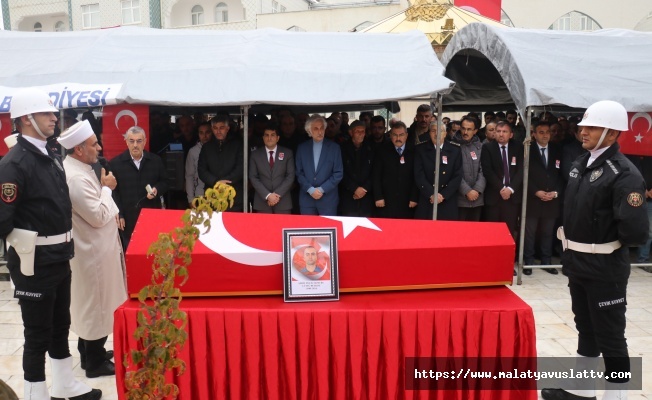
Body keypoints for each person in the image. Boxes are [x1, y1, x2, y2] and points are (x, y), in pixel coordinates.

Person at [542, 101, 649, 400]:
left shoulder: (624, 174)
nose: (582, 131)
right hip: (578, 262)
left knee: (611, 337)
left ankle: (618, 396)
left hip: (604, 268)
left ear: (612, 134)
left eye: (591, 127)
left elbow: (636, 232)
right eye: (583, 126)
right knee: (585, 328)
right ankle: (582, 390)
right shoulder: (582, 163)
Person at [0, 88, 101, 400]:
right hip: (35, 262)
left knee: (61, 324)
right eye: (46, 113)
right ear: (26, 120)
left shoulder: (51, 153)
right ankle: (35, 393)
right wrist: (25, 250)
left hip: (60, 255)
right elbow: (3, 220)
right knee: (37, 334)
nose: (54, 117)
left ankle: (64, 385)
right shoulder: (14, 164)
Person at [58, 120, 127, 379]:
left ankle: (89, 352)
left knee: (93, 304)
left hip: (95, 249)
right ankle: (95, 362)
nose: (98, 147)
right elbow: (98, 215)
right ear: (78, 149)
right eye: (93, 144)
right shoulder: (75, 178)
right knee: (95, 305)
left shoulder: (81, 168)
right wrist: (108, 189)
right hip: (91, 254)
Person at [110, 126, 169, 251]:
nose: (135, 145)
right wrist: (119, 213)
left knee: (152, 251)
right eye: (131, 141)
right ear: (126, 141)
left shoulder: (155, 161)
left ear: (145, 141)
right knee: (130, 253)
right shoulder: (116, 164)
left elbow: (165, 182)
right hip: (127, 218)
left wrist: (156, 190)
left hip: (151, 216)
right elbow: (114, 193)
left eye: (139, 141)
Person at [523, 121, 563, 276]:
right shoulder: (528, 150)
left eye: (547, 132)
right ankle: (528, 261)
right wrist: (535, 191)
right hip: (533, 199)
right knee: (530, 232)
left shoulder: (557, 150)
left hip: (552, 199)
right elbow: (523, 174)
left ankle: (547, 262)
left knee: (548, 232)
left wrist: (556, 192)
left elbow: (561, 175)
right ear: (534, 134)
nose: (545, 135)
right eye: (541, 132)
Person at [480, 121, 524, 259]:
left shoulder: (518, 147)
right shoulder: (487, 148)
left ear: (511, 134)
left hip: (512, 197)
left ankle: (507, 260)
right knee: (493, 231)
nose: (501, 134)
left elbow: (522, 170)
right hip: (494, 196)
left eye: (504, 131)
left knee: (509, 231)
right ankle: (492, 259)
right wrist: (502, 188)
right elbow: (487, 171)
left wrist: (510, 189)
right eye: (498, 131)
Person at [294, 115, 343, 216]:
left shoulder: (334, 148)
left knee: (328, 230)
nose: (320, 132)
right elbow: (299, 173)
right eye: (316, 129)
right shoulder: (302, 148)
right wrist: (310, 189)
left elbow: (338, 173)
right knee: (308, 230)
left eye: (322, 128)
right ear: (309, 130)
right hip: (307, 200)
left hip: (328, 200)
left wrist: (321, 189)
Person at [414, 121, 462, 220]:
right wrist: (431, 194)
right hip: (427, 198)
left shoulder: (455, 150)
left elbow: (457, 175)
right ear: (429, 133)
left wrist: (443, 195)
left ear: (445, 133)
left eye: (440, 131)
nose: (437, 134)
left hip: (447, 199)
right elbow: (419, 174)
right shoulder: (420, 149)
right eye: (433, 131)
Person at [197, 114, 244, 211]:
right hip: (212, 196)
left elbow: (241, 168)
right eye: (215, 128)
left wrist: (225, 182)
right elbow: (201, 170)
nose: (218, 131)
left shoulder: (238, 145)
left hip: (233, 197)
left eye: (221, 128)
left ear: (228, 128)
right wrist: (216, 182)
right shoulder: (206, 147)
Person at [372, 121, 418, 219]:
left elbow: (417, 176)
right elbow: (376, 176)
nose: (398, 138)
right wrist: (378, 196)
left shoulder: (414, 151)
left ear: (406, 135)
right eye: (395, 135)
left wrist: (414, 197)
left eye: (401, 135)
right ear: (390, 135)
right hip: (387, 200)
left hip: (407, 200)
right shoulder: (382, 151)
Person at [249, 123, 295, 214]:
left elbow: (290, 176)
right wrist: (268, 195)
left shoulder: (287, 153)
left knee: (282, 227)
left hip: (283, 201)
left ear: (278, 138)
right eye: (267, 135)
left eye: (272, 135)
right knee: (264, 228)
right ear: (263, 138)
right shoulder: (255, 154)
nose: (269, 138)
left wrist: (276, 196)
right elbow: (253, 177)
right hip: (262, 201)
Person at [451, 116, 486, 221]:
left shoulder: (480, 147)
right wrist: (467, 191)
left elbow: (483, 170)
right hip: (459, 199)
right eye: (463, 128)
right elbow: (453, 172)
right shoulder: (452, 146)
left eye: (469, 129)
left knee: (475, 233)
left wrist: (477, 190)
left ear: (475, 131)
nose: (465, 132)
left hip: (477, 199)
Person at [339, 120, 374, 217]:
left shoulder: (371, 148)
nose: (361, 134)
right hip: (349, 196)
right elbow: (340, 172)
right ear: (351, 133)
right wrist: (354, 188)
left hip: (366, 196)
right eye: (357, 131)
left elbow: (375, 172)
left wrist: (364, 188)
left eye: (363, 131)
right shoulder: (342, 148)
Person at [185, 121, 212, 206]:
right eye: (201, 133)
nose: (204, 136)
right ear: (198, 134)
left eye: (207, 132)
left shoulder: (219, 149)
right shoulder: (193, 151)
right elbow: (189, 176)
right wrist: (190, 199)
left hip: (216, 196)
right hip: (199, 195)